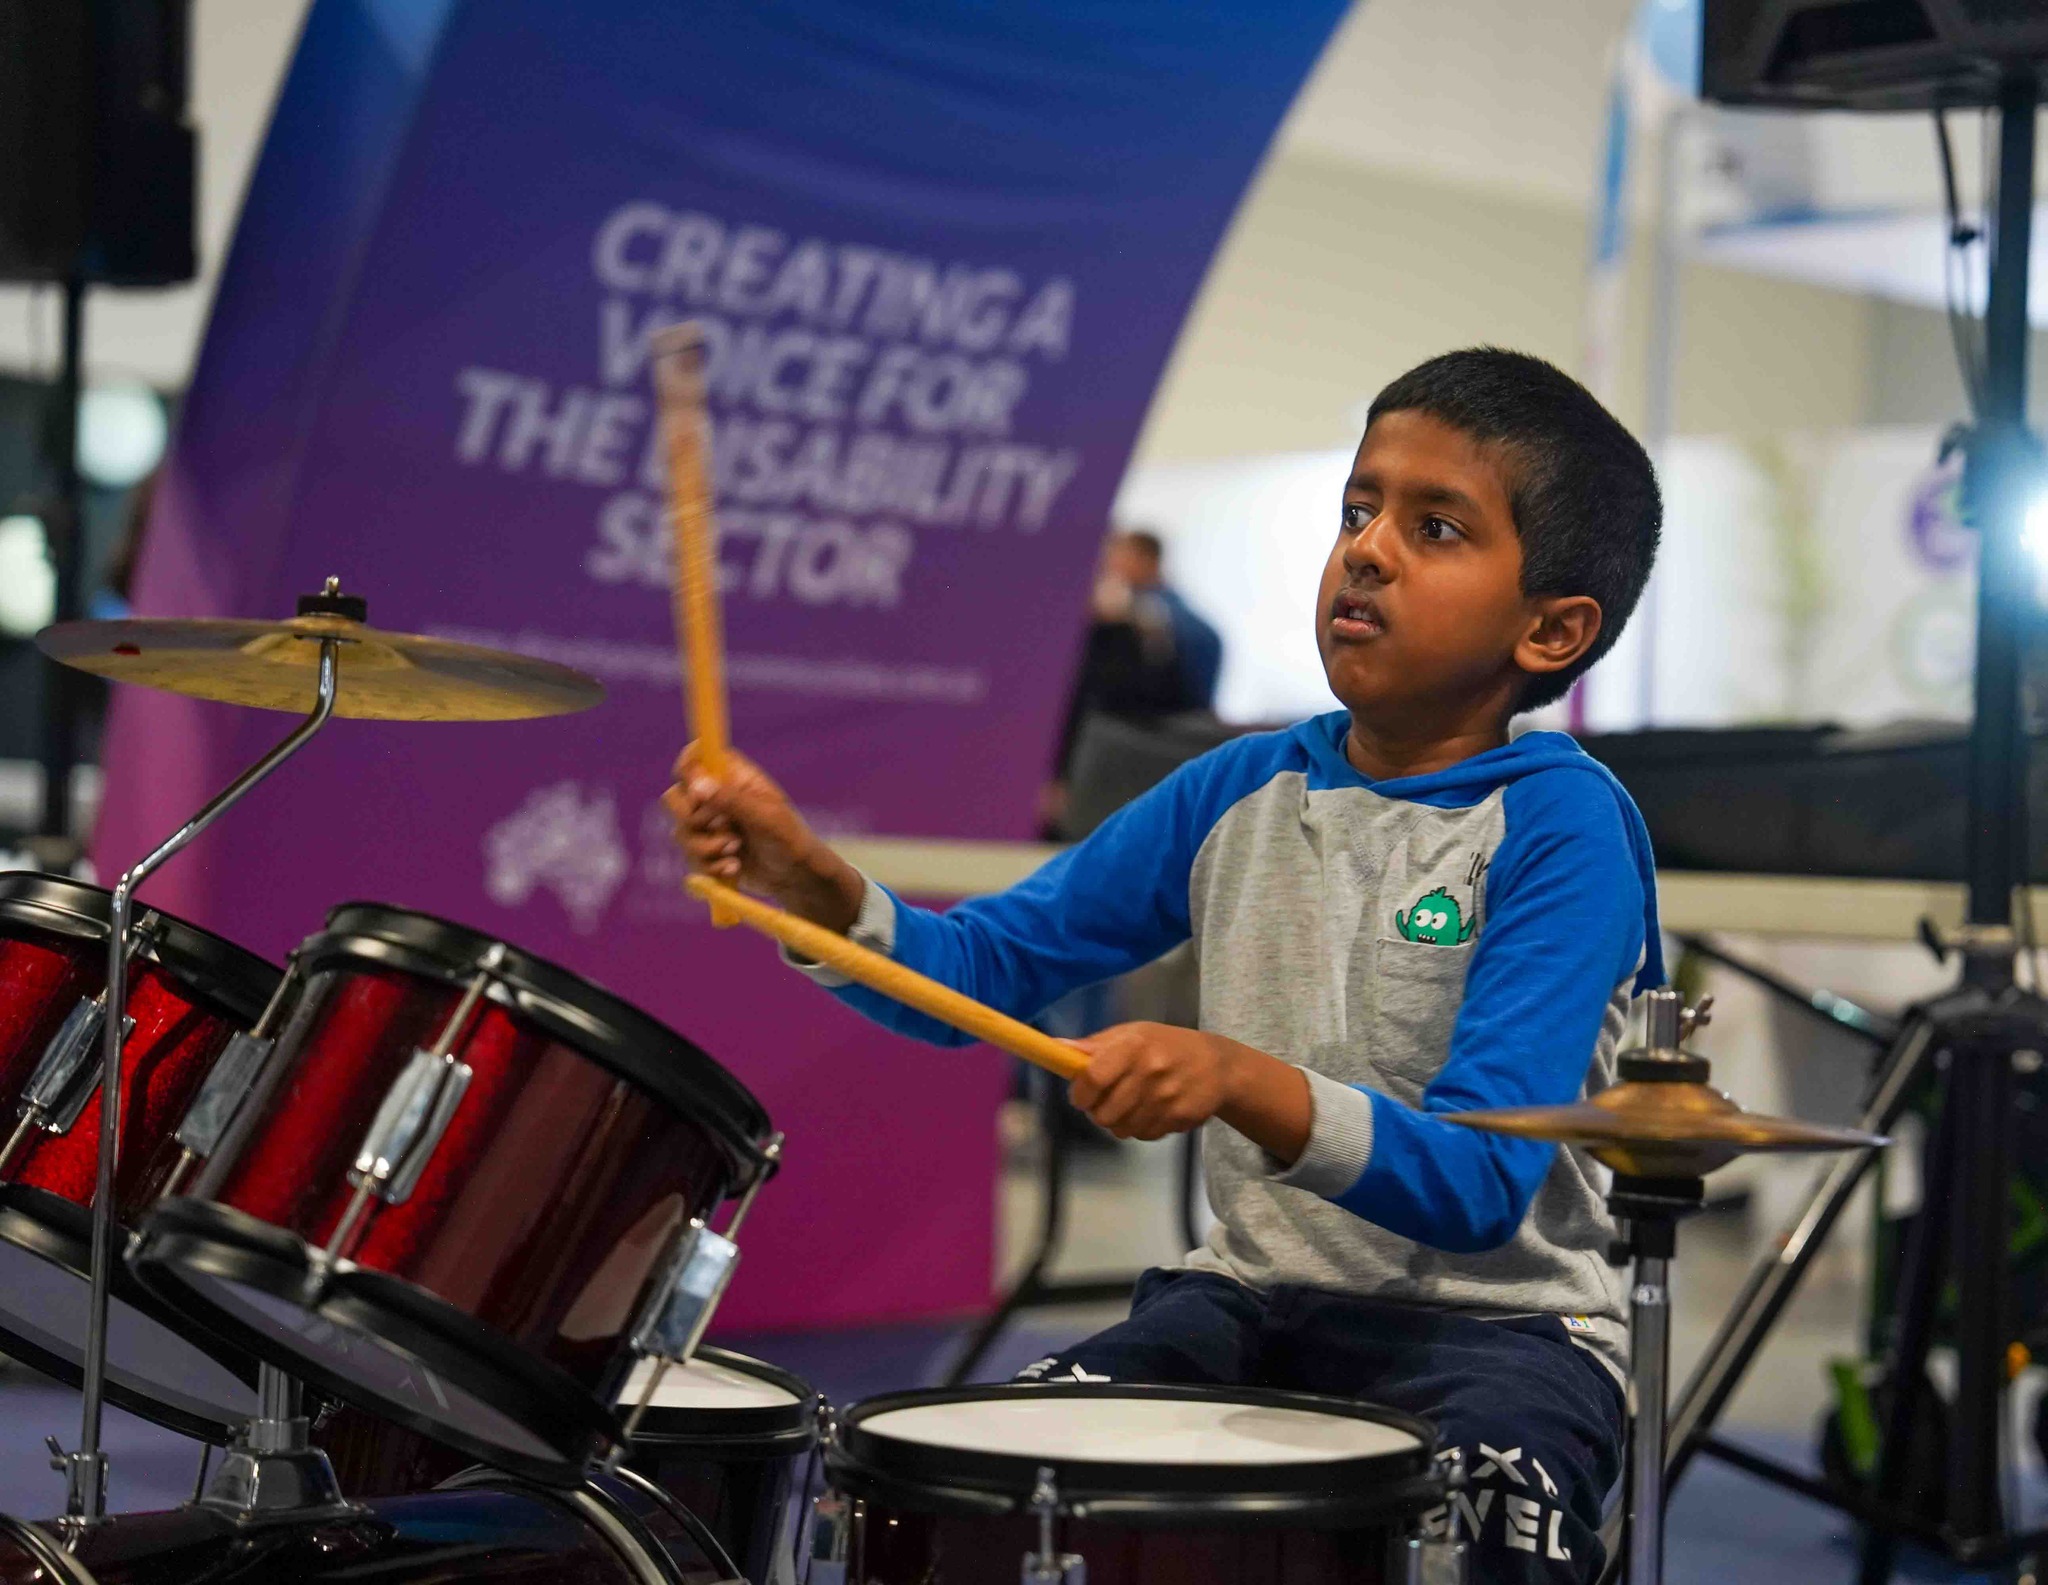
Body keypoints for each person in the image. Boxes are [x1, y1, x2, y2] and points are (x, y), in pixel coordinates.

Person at [666, 348, 1663, 1584]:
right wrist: (812, 884)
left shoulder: (1564, 826)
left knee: (1474, 1539)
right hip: (1249, 1301)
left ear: (1551, 629)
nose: (1366, 550)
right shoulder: (1237, 786)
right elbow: (977, 971)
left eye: (1435, 527)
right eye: (1356, 510)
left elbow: (1476, 1183)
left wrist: (1236, 1078)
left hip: (1504, 1337)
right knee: (990, 1484)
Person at [1043, 528, 1222, 835]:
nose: (1110, 565)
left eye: (1117, 556)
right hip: (1159, 763)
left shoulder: (1148, 619)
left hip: (1125, 761)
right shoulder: (1189, 623)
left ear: (1143, 559)